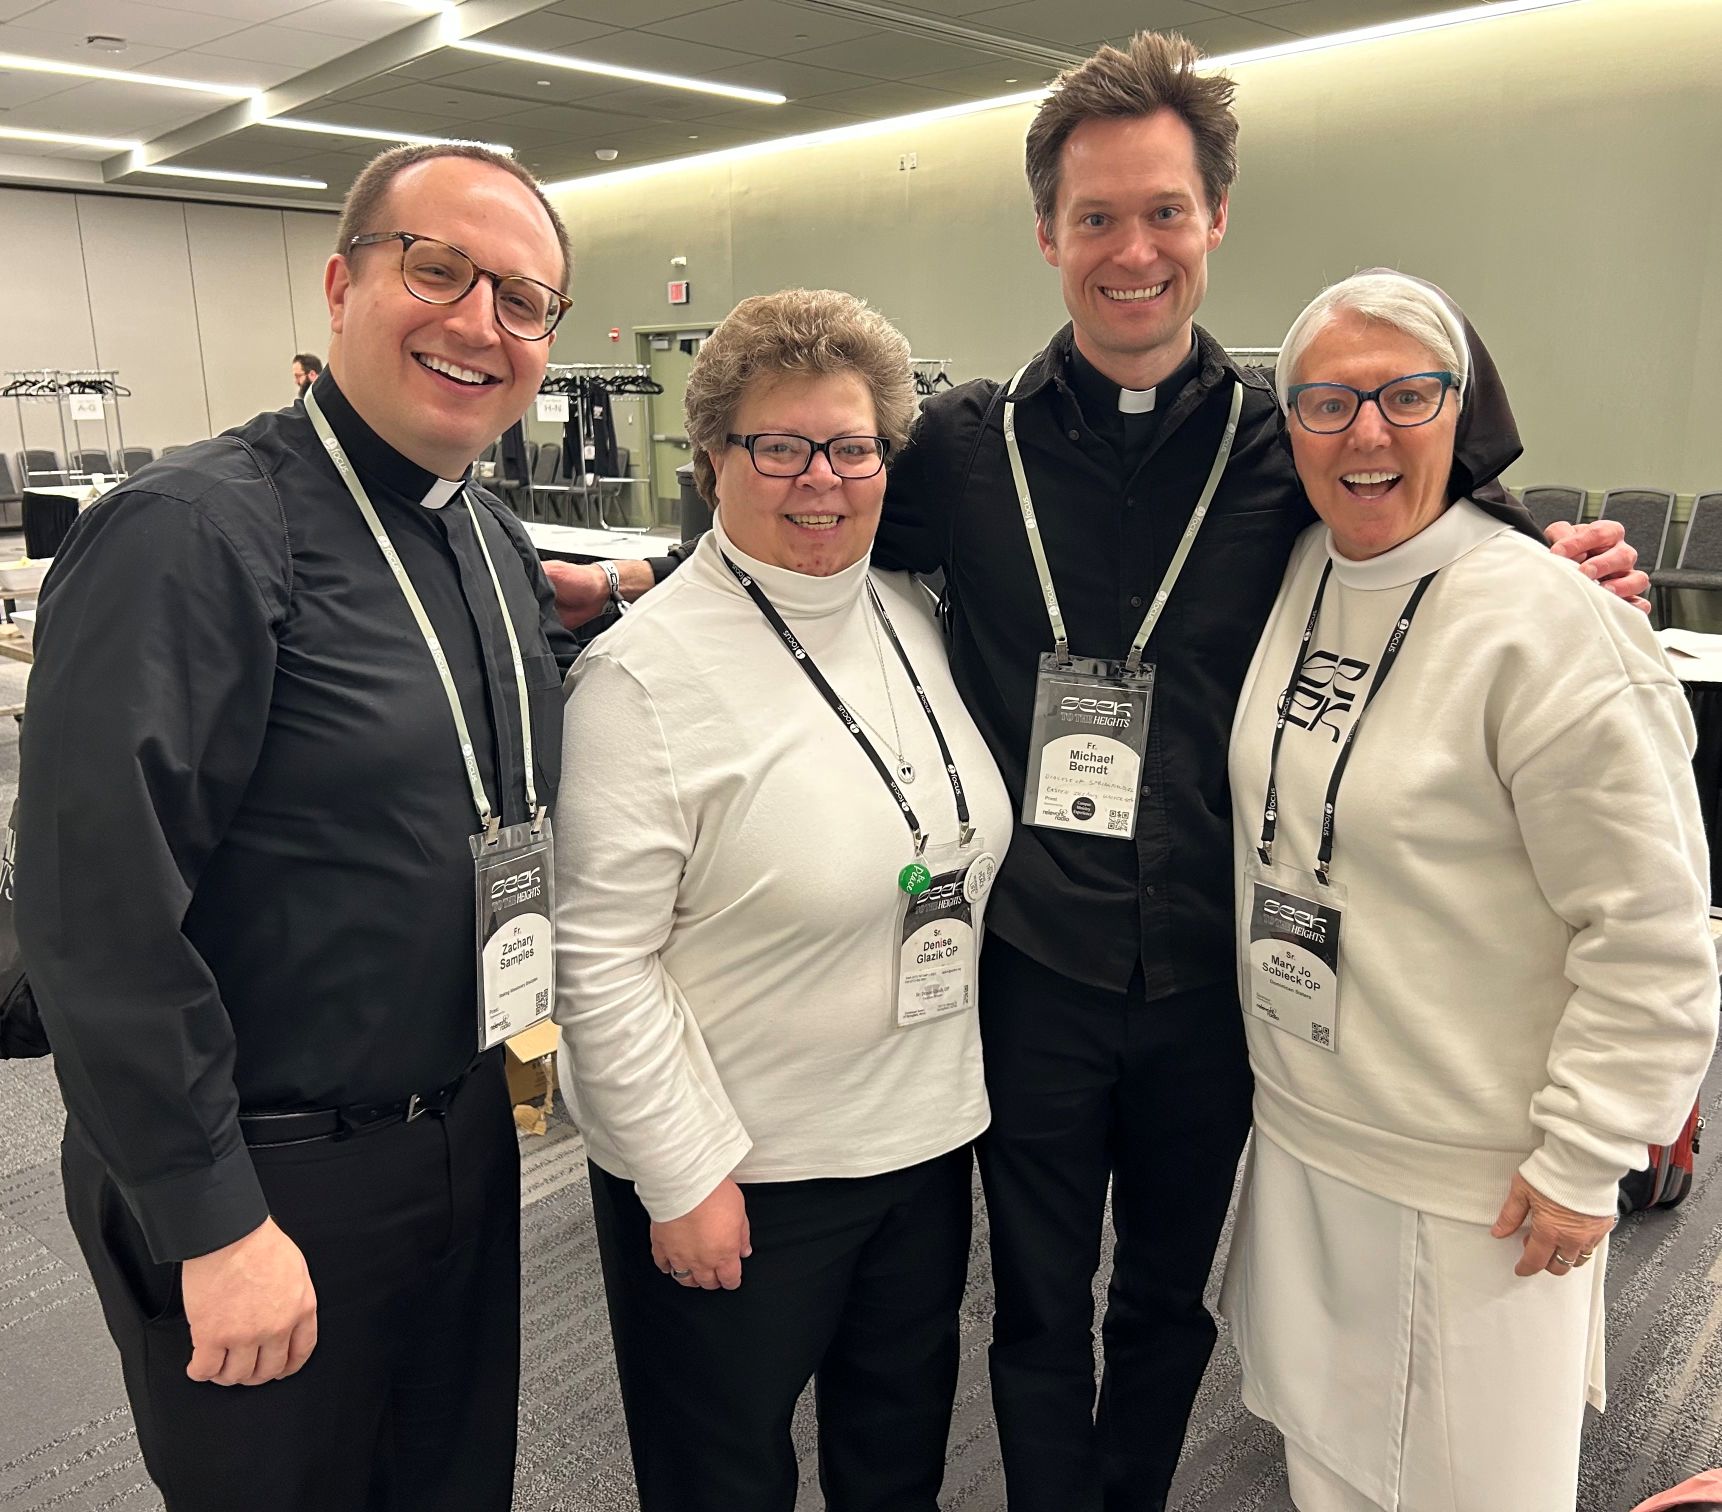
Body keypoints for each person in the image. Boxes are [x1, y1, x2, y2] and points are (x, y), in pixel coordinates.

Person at [538, 32, 1645, 1512]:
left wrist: (1562, 564)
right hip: (1029, 967)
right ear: (1047, 232)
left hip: (1217, 971)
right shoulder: (961, 447)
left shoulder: (1284, 440)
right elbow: (796, 518)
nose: (1133, 252)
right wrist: (633, 587)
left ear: (1214, 220)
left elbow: (1435, 508)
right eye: (1098, 217)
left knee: (1169, 1301)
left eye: (1164, 213)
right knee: (1037, 1308)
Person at [15, 142, 577, 1512]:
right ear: (341, 284)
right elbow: (96, 919)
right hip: (266, 1170)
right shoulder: (190, 535)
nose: (479, 323)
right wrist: (211, 1218)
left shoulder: (490, 539)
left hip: (459, 1135)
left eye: (522, 299)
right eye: (437, 270)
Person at [1222, 269, 1717, 1512]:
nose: (1367, 433)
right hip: (1305, 1136)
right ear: (1291, 427)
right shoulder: (1298, 572)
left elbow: (1653, 928)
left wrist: (1588, 1151)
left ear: (1466, 410)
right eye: (1328, 401)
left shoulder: (1549, 623)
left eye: (1408, 394)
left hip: (1481, 1184)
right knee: (1326, 1471)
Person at [553, 288, 1014, 1512]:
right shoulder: (641, 679)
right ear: (713, 460)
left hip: (920, 1147)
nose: (821, 480)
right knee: (723, 1481)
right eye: (780, 446)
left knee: (896, 1467)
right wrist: (680, 1174)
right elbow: (598, 961)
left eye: (852, 447)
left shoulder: (909, 614)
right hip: (738, 1173)